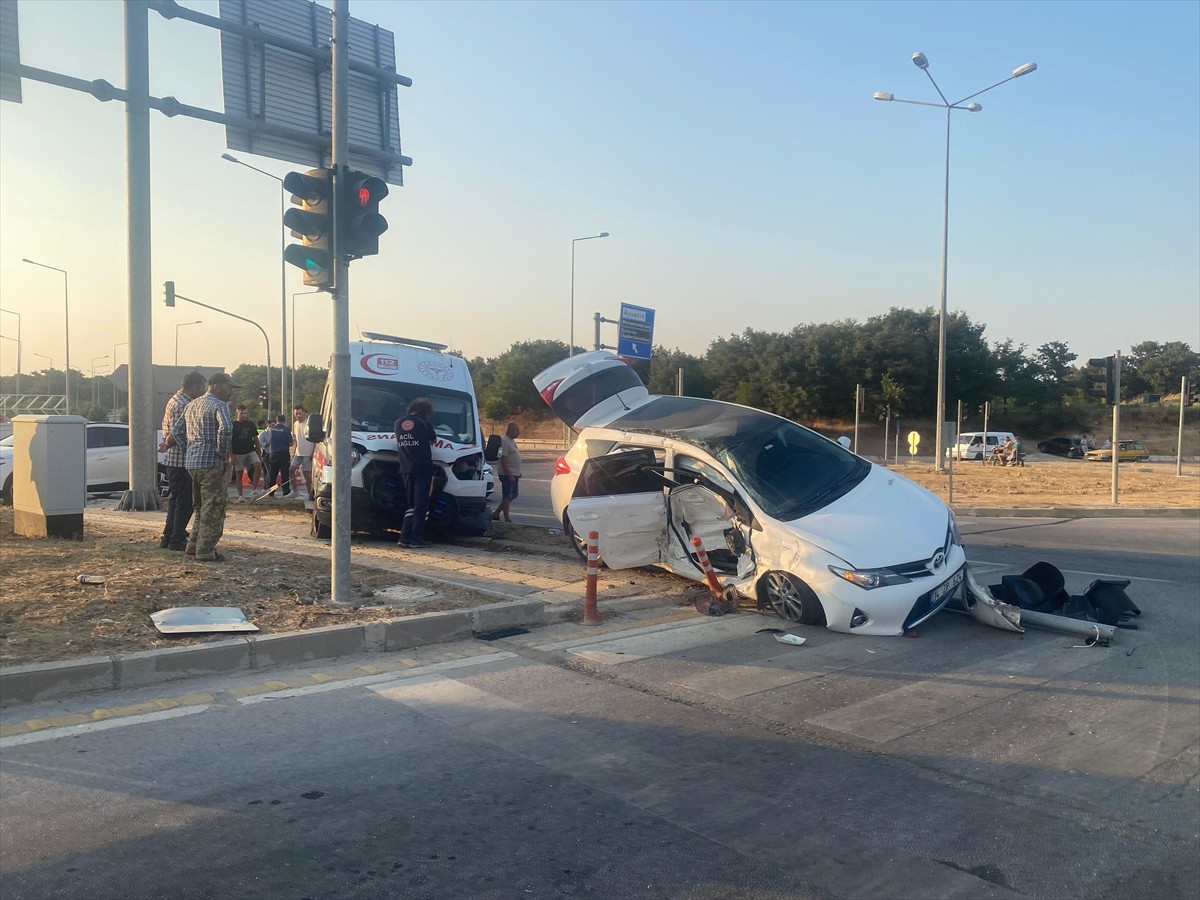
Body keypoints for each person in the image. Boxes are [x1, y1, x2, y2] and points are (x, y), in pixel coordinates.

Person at [170, 372, 237, 561]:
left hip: (193, 463)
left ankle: (193, 544)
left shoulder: (192, 404)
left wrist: (189, 448)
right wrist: (222, 450)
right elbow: (226, 428)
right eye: (229, 387)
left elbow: (176, 431)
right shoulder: (219, 405)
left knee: (200, 506)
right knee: (214, 507)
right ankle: (205, 550)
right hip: (211, 463)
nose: (230, 392)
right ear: (217, 386)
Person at [157, 371, 207, 551]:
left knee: (176, 500)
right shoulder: (182, 405)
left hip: (174, 461)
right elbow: (179, 434)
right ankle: (176, 538)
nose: (203, 391)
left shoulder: (175, 400)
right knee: (184, 502)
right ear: (194, 386)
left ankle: (170, 535)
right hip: (180, 460)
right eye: (202, 387)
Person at [394, 397, 435, 549]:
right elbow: (433, 441)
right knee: (421, 504)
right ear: (425, 412)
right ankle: (416, 539)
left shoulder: (398, 423)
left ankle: (404, 537)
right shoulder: (424, 424)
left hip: (405, 468)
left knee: (410, 504)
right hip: (423, 468)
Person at [491, 421, 522, 523]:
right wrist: (509, 474)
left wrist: (518, 472)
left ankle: (496, 513)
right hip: (507, 473)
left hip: (514, 472)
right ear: (510, 430)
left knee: (513, 494)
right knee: (507, 495)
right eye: (516, 430)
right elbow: (503, 459)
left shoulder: (511, 441)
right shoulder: (504, 440)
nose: (518, 432)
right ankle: (506, 518)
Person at [229, 405, 261, 500]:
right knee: (239, 474)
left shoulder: (250, 424)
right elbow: (229, 441)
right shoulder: (233, 425)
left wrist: (259, 453)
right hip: (238, 452)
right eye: (242, 413)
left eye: (245, 413)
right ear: (237, 413)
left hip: (250, 450)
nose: (244, 415)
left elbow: (256, 439)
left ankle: (253, 489)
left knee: (258, 465)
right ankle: (240, 496)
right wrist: (231, 455)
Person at [263, 413, 294, 497]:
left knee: (273, 475)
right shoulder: (286, 430)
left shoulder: (271, 429)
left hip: (273, 454)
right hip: (284, 454)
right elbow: (291, 443)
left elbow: (269, 441)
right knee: (285, 474)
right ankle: (286, 492)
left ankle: (271, 493)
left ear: (276, 420)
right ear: (284, 421)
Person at [290, 405, 315, 501]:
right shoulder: (295, 424)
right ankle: (294, 491)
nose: (298, 415)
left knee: (306, 473)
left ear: (304, 412)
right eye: (296, 413)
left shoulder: (309, 424)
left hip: (308, 452)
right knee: (291, 469)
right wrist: (294, 452)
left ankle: (309, 493)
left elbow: (314, 439)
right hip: (298, 452)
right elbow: (296, 439)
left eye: (300, 413)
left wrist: (313, 452)